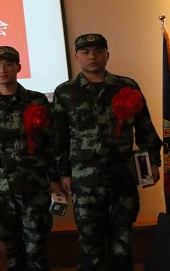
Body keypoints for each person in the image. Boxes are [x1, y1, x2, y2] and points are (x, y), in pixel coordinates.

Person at [53, 33, 163, 271]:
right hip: (85, 180)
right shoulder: (65, 92)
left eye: (98, 51)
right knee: (89, 243)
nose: (92, 57)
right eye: (85, 52)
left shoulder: (126, 86)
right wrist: (63, 174)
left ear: (107, 55)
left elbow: (145, 128)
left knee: (122, 243)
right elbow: (60, 138)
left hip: (122, 176)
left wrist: (152, 162)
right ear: (76, 57)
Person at [0, 47, 59, 271]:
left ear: (18, 67)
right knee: (7, 249)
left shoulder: (36, 101)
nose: (3, 70)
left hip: (33, 184)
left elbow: (50, 142)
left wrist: (55, 179)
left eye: (8, 64)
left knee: (37, 246)